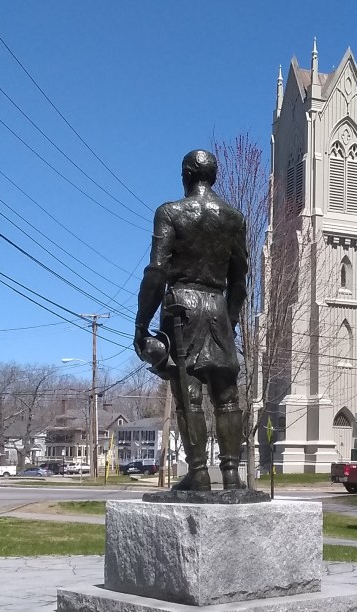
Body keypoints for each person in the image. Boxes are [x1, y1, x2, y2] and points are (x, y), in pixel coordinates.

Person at [134, 150, 248, 491]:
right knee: (228, 398)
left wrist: (142, 325)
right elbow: (239, 279)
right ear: (214, 177)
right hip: (218, 305)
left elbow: (157, 271)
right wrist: (229, 321)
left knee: (190, 396)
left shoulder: (170, 213)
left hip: (181, 307)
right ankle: (231, 475)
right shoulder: (234, 218)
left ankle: (198, 472)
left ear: (186, 174)